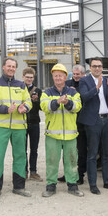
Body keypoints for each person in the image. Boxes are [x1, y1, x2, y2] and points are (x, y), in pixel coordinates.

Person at [0, 57, 33, 199]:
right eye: (9, 66)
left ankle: (19, 187)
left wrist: (24, 107)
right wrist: (6, 109)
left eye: (13, 66)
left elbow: (28, 101)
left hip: (19, 127)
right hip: (1, 126)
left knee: (20, 156)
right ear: (3, 67)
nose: (11, 68)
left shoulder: (21, 85)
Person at [77, 57, 108, 194]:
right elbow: (84, 97)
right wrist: (96, 88)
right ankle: (93, 184)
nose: (97, 68)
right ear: (90, 68)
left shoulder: (107, 80)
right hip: (93, 121)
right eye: (94, 66)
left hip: (107, 120)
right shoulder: (84, 81)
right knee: (92, 154)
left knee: (107, 154)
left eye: (99, 66)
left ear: (102, 68)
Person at [40, 63, 84, 197]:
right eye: (55, 76)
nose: (58, 78)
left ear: (65, 77)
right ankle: (51, 186)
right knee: (52, 161)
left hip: (70, 134)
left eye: (60, 75)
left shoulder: (73, 93)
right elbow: (44, 106)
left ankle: (72, 185)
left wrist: (67, 103)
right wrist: (57, 102)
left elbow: (78, 106)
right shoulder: (46, 93)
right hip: (53, 134)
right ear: (53, 77)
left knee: (71, 160)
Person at [22, 67, 43, 181]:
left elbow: (42, 107)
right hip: (22, 123)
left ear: (33, 78)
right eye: (27, 77)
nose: (29, 79)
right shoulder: (19, 88)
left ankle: (33, 171)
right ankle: (24, 171)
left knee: (34, 149)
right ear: (23, 77)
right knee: (23, 149)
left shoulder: (38, 90)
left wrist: (36, 101)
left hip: (35, 122)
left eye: (31, 77)